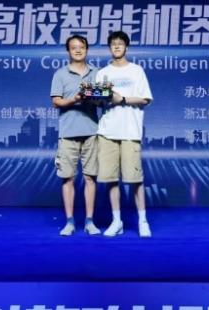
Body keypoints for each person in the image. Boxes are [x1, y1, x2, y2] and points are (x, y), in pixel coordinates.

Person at [96, 31, 153, 238]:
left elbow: (145, 99)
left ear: (126, 47)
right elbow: (98, 101)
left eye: (120, 43)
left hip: (130, 131)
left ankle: (143, 221)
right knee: (111, 179)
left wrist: (121, 99)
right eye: (113, 44)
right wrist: (97, 98)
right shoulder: (102, 73)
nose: (117, 46)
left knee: (135, 179)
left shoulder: (136, 71)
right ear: (109, 48)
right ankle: (116, 221)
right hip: (107, 131)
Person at [50, 34, 101, 236]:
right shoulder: (60, 74)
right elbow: (56, 101)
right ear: (68, 51)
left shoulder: (97, 73)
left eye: (81, 47)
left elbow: (103, 101)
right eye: (74, 47)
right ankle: (70, 222)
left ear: (87, 50)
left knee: (90, 178)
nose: (78, 50)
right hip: (68, 133)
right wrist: (75, 99)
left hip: (92, 132)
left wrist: (92, 98)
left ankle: (90, 221)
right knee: (68, 178)